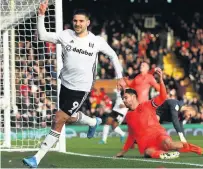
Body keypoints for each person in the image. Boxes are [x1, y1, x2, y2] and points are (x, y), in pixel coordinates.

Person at [23, 1, 126, 168]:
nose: (77, 24)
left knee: (58, 118)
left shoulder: (96, 41)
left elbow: (113, 56)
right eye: (75, 21)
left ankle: (37, 158)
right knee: (68, 118)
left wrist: (120, 77)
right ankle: (93, 122)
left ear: (88, 23)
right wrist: (41, 15)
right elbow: (42, 36)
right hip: (65, 84)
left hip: (82, 88)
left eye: (81, 21)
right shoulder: (66, 35)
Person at [115, 68, 202, 159]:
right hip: (148, 143)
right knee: (147, 152)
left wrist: (161, 81)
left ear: (133, 97)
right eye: (123, 99)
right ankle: (163, 154)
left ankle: (197, 149)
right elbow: (131, 136)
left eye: (125, 98)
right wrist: (122, 152)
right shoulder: (128, 116)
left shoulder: (147, 105)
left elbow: (163, 97)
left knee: (169, 144)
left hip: (159, 136)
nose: (124, 100)